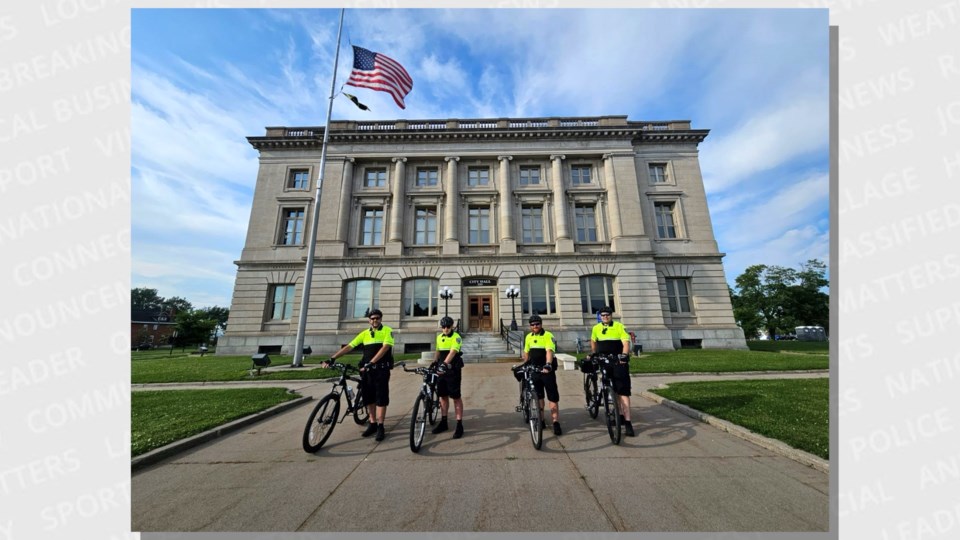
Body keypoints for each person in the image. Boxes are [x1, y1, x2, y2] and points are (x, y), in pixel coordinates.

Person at [323, 309, 394, 441]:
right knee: (369, 398)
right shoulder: (364, 334)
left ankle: (380, 426)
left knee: (381, 398)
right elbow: (350, 346)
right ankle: (372, 423)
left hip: (381, 370)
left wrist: (372, 362)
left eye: (377, 318)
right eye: (372, 318)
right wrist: (332, 358)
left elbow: (385, 348)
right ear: (369, 320)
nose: (375, 320)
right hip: (367, 371)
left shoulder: (387, 330)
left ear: (381, 319)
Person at [590, 306, 635, 436]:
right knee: (611, 388)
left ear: (611, 315)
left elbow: (625, 342)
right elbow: (593, 341)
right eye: (603, 315)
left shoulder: (619, 326)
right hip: (604, 361)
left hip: (618, 361)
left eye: (607, 315)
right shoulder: (596, 328)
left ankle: (627, 422)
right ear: (600, 316)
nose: (605, 317)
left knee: (623, 391)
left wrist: (624, 355)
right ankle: (617, 414)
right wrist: (594, 353)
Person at [521, 314, 562, 435]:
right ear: (530, 326)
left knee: (552, 397)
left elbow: (549, 351)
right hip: (535, 371)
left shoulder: (547, 335)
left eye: (537, 324)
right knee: (539, 397)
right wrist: (525, 364)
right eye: (532, 325)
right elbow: (526, 352)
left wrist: (548, 364)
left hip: (546, 371)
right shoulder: (528, 336)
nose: (535, 326)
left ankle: (555, 422)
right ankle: (541, 419)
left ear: (541, 324)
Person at [431, 316, 465, 438]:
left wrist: (444, 364)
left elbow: (452, 352)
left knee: (456, 397)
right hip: (441, 371)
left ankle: (459, 424)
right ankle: (444, 421)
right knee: (443, 397)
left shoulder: (457, 337)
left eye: (448, 327)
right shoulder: (439, 337)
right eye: (443, 327)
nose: (445, 329)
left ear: (452, 326)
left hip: (453, 370)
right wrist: (434, 362)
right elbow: (438, 351)